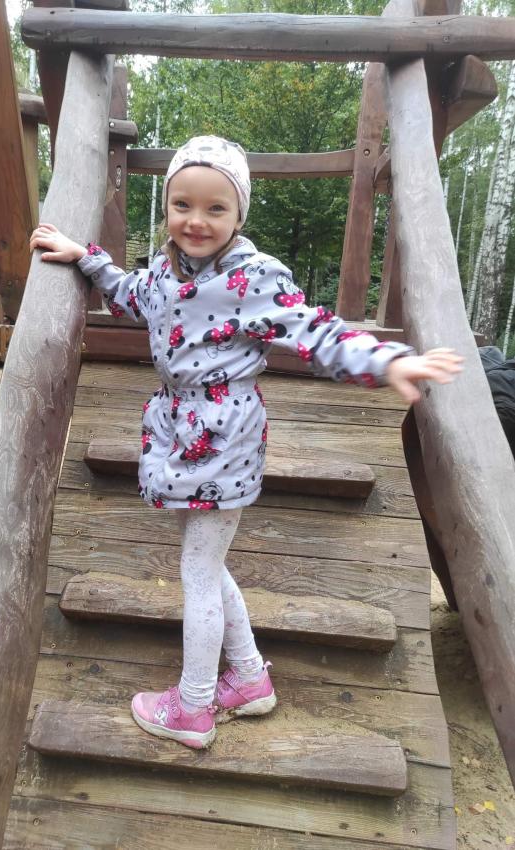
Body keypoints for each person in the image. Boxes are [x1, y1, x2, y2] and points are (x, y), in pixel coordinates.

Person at [30, 135, 462, 750]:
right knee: (206, 563)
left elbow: (315, 330)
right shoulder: (165, 273)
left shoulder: (254, 279)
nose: (196, 220)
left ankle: (194, 707)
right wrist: (85, 257)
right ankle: (251, 678)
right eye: (183, 204)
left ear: (238, 216)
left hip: (222, 435)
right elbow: (130, 293)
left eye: (216, 208)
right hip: (178, 429)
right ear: (167, 206)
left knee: (198, 572)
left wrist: (385, 359)